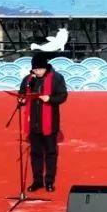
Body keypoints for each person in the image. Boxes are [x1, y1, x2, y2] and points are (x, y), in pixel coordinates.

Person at [19, 51, 68, 192]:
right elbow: (22, 93)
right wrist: (22, 100)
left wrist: (50, 99)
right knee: (35, 153)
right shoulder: (28, 79)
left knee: (51, 152)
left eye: (40, 69)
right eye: (35, 69)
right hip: (33, 122)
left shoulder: (56, 78)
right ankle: (37, 181)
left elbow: (63, 96)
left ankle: (49, 181)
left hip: (49, 123)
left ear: (45, 67)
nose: (38, 72)